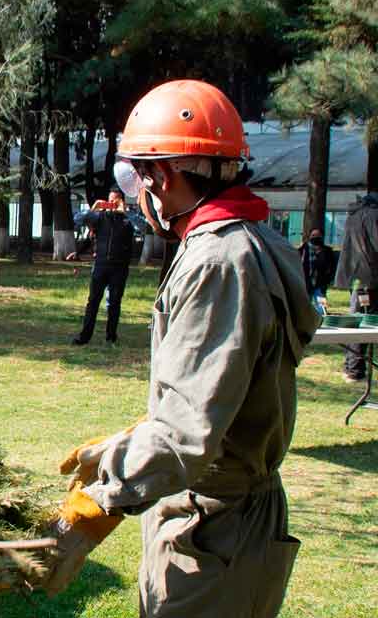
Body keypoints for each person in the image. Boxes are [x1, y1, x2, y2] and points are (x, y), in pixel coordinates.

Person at [42, 80, 321, 617]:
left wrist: (97, 503)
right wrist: (130, 438)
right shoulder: (259, 240)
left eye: (141, 176)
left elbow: (185, 439)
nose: (139, 192)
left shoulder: (217, 262)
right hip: (238, 520)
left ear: (163, 176)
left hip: (213, 528)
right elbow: (221, 393)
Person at [71, 190, 135, 345]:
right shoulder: (100, 217)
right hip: (100, 266)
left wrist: (125, 212)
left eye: (116, 200)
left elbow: (143, 226)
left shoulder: (127, 221)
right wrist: (95, 207)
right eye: (110, 200)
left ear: (122, 201)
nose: (112, 204)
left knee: (114, 303)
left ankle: (111, 337)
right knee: (93, 302)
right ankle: (84, 337)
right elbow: (78, 218)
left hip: (119, 268)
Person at [334, 193, 378, 382]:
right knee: (364, 323)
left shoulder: (354, 215)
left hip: (358, 278)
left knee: (359, 321)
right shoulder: (372, 215)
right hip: (371, 277)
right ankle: (354, 369)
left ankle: (352, 368)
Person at [297, 228, 335, 313]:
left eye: (318, 235)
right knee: (304, 307)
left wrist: (328, 279)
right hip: (305, 283)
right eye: (313, 235)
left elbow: (332, 267)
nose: (316, 237)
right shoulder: (302, 250)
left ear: (322, 237)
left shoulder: (327, 251)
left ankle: (321, 321)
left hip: (320, 284)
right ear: (309, 236)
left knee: (321, 309)